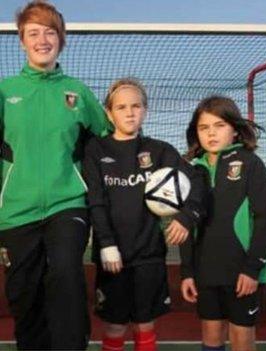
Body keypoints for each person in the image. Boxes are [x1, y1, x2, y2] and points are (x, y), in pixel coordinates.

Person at [0, 1, 110, 349]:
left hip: (68, 205)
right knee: (23, 291)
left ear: (61, 40)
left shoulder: (78, 93)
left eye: (50, 32)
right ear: (21, 41)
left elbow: (108, 139)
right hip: (16, 210)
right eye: (33, 33)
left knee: (65, 275)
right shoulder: (5, 92)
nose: (42, 39)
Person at [82, 78, 206, 351]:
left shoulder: (159, 151)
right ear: (109, 113)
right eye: (121, 107)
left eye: (136, 106)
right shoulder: (96, 150)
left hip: (149, 255)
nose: (129, 112)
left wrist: (187, 216)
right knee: (114, 325)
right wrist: (106, 244)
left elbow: (196, 179)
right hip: (112, 257)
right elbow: (96, 201)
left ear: (145, 111)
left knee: (145, 324)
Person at [180, 96, 266, 351]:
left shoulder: (249, 163)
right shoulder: (192, 170)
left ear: (234, 129)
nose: (211, 133)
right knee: (211, 336)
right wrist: (187, 272)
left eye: (219, 125)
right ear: (196, 132)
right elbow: (186, 226)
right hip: (205, 271)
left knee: (241, 338)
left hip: (242, 272)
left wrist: (252, 268)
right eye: (204, 127)